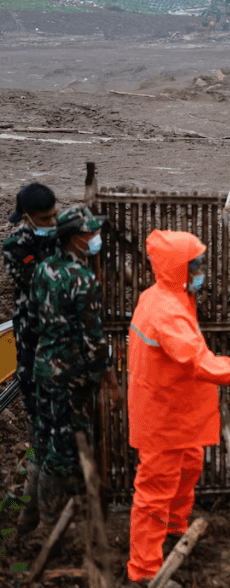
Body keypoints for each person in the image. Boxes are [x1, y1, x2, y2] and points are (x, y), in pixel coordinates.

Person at [127, 230, 230, 585]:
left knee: (189, 466)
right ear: (179, 269)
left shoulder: (173, 297)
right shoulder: (166, 310)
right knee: (154, 491)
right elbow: (196, 361)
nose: (202, 272)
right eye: (196, 265)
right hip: (163, 417)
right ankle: (145, 570)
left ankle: (174, 529)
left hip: (176, 410)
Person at [28, 206, 121, 526]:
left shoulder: (43, 270)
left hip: (44, 368)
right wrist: (110, 381)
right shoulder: (83, 279)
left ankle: (26, 514)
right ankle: (50, 522)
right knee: (65, 450)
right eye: (91, 233)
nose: (96, 238)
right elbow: (94, 339)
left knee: (42, 441)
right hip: (70, 376)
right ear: (77, 239)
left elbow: (35, 318)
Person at [2, 183, 58, 533]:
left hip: (59, 350)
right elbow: (46, 279)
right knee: (44, 433)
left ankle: (32, 507)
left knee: (50, 435)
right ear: (26, 218)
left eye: (55, 216)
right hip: (34, 352)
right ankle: (34, 512)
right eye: (45, 219)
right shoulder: (16, 247)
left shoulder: (54, 236)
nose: (52, 222)